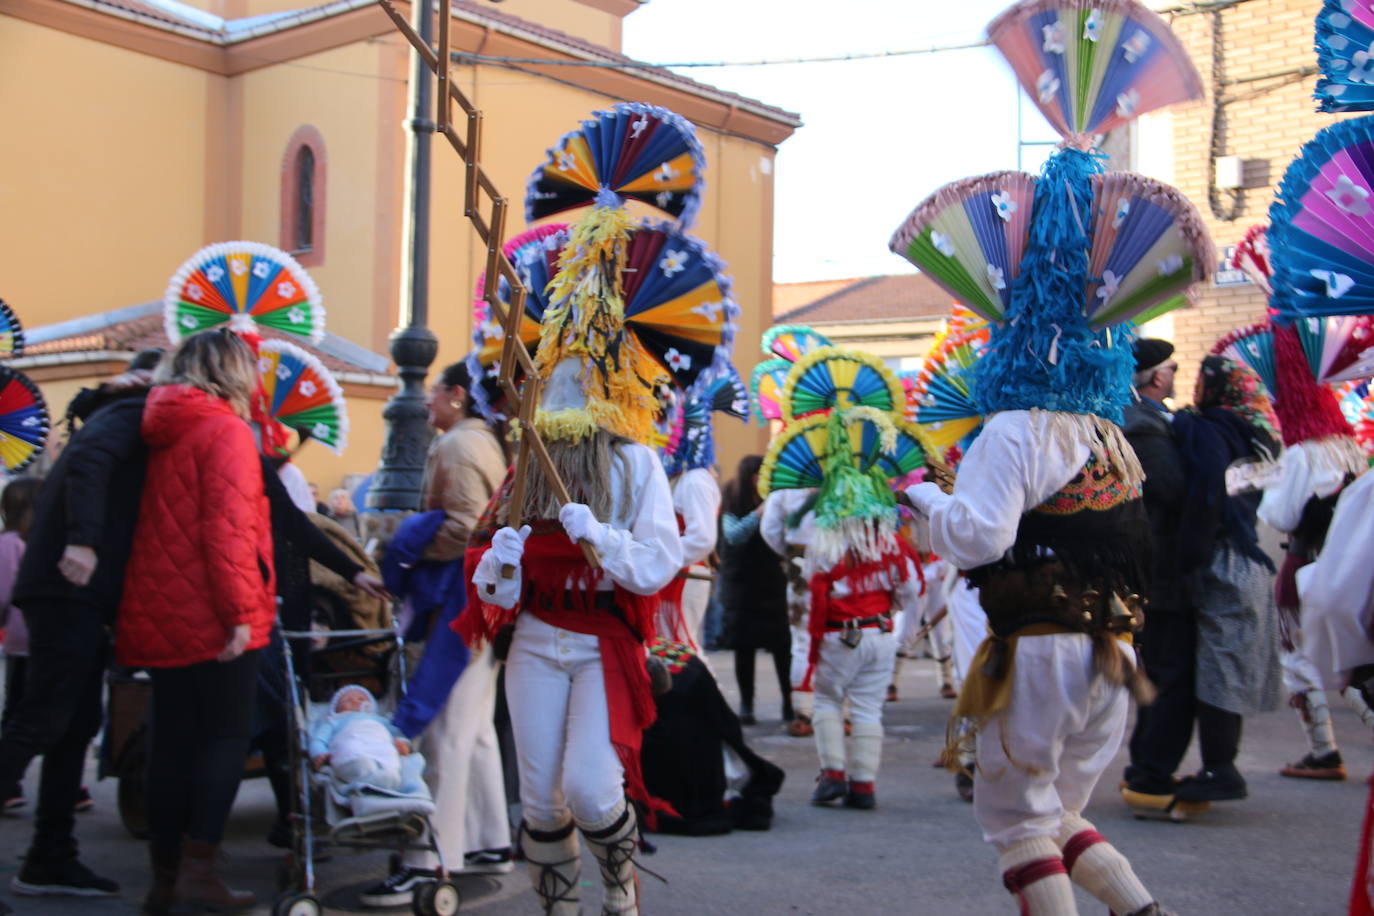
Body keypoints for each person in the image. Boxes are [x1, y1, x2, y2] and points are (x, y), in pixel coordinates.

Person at [116, 328, 275, 914]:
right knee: (226, 738)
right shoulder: (226, 430)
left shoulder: (163, 423)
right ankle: (200, 871)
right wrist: (240, 613)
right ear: (233, 371)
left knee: (172, 740)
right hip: (213, 610)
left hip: (160, 605)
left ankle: (164, 876)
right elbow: (227, 527)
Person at [0, 352, 167, 900]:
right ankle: (50, 853)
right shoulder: (128, 412)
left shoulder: (121, 410)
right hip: (68, 584)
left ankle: (51, 854)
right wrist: (84, 539)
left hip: (79, 591)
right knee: (43, 720)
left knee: (71, 724)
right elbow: (93, 462)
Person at [360, 360, 512, 907]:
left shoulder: (457, 447)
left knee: (446, 732)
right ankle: (490, 837)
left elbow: (466, 527)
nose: (425, 405)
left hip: (461, 598)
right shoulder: (485, 442)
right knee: (473, 730)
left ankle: (430, 860)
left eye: (431, 395)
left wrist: (409, 547)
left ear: (455, 395)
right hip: (485, 599)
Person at [761, 391, 921, 812]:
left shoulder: (822, 548)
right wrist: (894, 616)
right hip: (880, 633)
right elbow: (910, 590)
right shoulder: (891, 545)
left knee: (829, 700)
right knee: (868, 708)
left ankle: (832, 775)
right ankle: (864, 785)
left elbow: (805, 571)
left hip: (835, 635)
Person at [1166, 356, 1282, 805]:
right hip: (1250, 557)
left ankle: (1222, 769)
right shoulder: (1255, 432)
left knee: (1218, 665)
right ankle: (1221, 765)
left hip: (1224, 559)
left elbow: (1208, 489)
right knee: (1228, 663)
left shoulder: (1211, 429)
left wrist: (1187, 555)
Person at [1259, 320, 1367, 780]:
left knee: (1300, 656)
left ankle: (1323, 750)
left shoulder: (1302, 453)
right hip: (1349, 561)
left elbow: (1281, 515)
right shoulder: (1349, 446)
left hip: (1308, 560)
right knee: (1353, 654)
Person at [1119, 340, 1200, 811]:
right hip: (1162, 574)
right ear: (1156, 377)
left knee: (1163, 674)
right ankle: (1150, 775)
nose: (1174, 374)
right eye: (1172, 367)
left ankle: (1146, 768)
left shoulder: (1146, 422)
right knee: (1172, 676)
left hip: (1156, 572)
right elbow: (1171, 491)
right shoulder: (1145, 428)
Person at [718, 456, 791, 725]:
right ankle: (747, 704)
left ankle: (789, 701)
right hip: (741, 585)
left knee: (783, 646)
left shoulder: (776, 497)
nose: (762, 479)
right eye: (758, 474)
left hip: (772, 582)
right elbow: (733, 535)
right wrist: (758, 515)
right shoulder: (732, 497)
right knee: (743, 647)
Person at [760, 486, 817, 736]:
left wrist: (789, 553)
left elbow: (770, 529)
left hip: (800, 563)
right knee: (839, 634)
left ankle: (804, 713)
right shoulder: (847, 472)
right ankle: (843, 713)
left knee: (803, 640)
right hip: (840, 562)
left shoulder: (788, 479)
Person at [0, 478, 41, 810]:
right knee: (22, 713)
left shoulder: (18, 542)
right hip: (27, 639)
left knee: (23, 712)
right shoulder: (15, 544)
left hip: (26, 639)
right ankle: (8, 781)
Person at [310, 685, 414, 792]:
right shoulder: (334, 721)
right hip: (350, 739)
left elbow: (397, 733)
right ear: (336, 709)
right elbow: (319, 740)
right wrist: (319, 753)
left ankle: (388, 774)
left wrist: (403, 744)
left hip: (379, 742)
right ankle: (356, 768)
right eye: (347, 700)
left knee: (389, 753)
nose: (355, 702)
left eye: (361, 699)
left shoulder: (381, 720)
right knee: (350, 748)